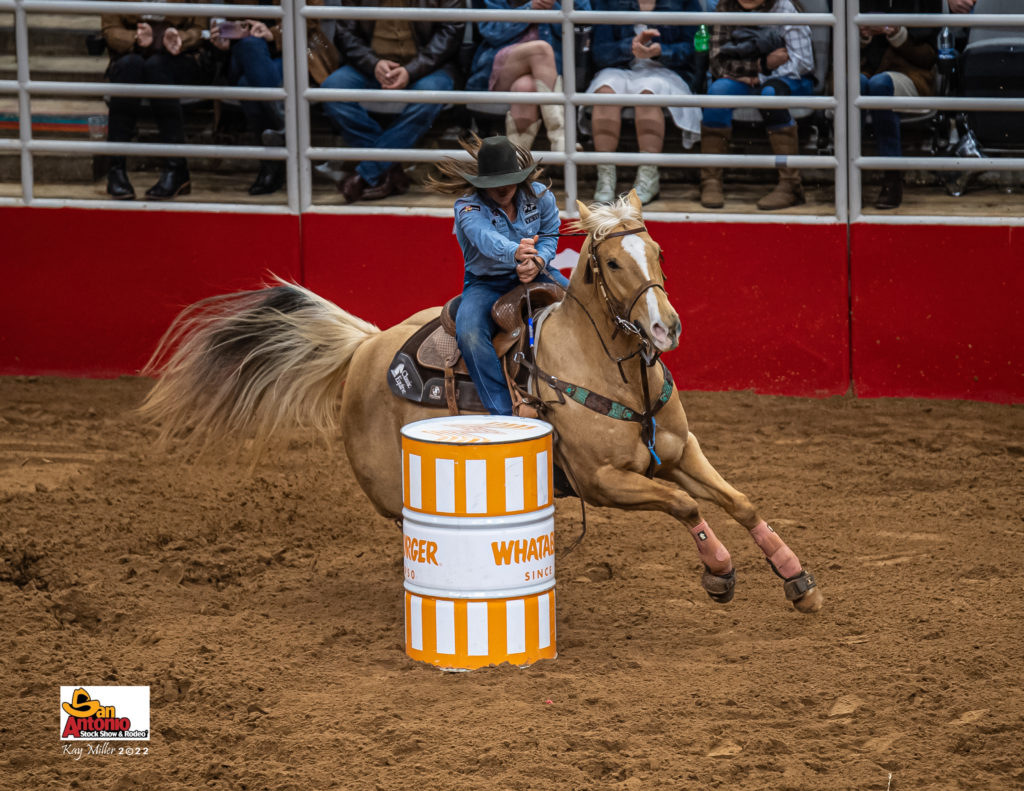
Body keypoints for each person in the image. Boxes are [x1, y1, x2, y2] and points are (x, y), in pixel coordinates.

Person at [426, 135, 570, 416]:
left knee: (581, 304)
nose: (502, 188)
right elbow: (485, 238)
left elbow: (550, 234)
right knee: (469, 333)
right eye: (494, 183)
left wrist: (539, 260)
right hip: (486, 284)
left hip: (539, 272)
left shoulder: (540, 196)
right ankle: (503, 412)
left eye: (507, 181)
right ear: (482, 184)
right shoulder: (467, 207)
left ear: (519, 178)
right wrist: (517, 252)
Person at [321, 0, 464, 204]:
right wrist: (373, 64)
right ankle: (390, 169)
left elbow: (451, 33)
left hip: (428, 68)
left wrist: (411, 70)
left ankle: (368, 172)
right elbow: (345, 33)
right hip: (369, 67)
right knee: (332, 89)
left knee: (429, 95)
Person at [208, 1, 337, 196]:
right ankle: (284, 122)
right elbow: (225, 19)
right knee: (250, 45)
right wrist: (223, 39)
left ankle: (271, 165)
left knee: (246, 85)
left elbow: (311, 18)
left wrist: (274, 33)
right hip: (243, 54)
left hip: (298, 49)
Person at [586, 0, 704, 204]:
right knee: (605, 91)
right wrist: (630, 47)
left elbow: (694, 46)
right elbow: (599, 51)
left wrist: (659, 51)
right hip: (619, 67)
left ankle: (648, 176)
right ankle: (605, 176)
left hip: (667, 70)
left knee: (648, 93)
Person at [700, 0, 814, 211]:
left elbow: (803, 62)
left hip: (788, 77)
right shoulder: (724, 7)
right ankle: (711, 180)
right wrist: (761, 66)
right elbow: (717, 63)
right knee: (717, 94)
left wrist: (762, 77)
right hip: (745, 77)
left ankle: (790, 184)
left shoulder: (785, 8)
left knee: (770, 95)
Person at [100, 0, 203, 200]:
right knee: (129, 66)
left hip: (179, 56)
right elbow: (110, 29)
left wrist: (180, 38)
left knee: (157, 66)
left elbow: (200, 28)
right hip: (132, 53)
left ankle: (176, 169)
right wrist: (135, 37)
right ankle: (116, 170)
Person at [466, 0, 591, 152]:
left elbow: (582, 26)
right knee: (541, 50)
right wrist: (528, 9)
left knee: (525, 87)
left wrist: (555, 9)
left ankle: (516, 161)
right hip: (501, 67)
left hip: (546, 74)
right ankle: (561, 137)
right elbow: (492, 32)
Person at [859, 12, 937, 209]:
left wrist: (896, 34)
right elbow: (839, 53)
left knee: (879, 85)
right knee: (855, 83)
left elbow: (928, 58)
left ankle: (892, 177)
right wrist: (863, 35)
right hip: (863, 69)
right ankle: (848, 177)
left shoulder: (922, 6)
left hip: (911, 74)